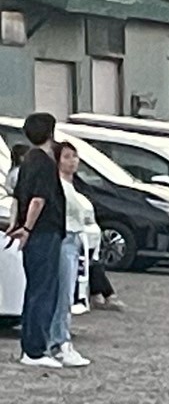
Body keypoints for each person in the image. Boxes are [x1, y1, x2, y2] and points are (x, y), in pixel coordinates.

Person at [4, 113, 68, 369]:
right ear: (51, 133)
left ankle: (30, 347)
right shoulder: (45, 163)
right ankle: (36, 349)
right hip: (44, 232)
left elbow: (17, 197)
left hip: (32, 232)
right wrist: (28, 228)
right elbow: (38, 200)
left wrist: (15, 224)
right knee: (44, 290)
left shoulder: (27, 161)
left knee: (33, 289)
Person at [47, 141, 90, 367]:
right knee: (62, 294)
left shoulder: (72, 185)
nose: (72, 161)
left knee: (67, 293)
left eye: (74, 156)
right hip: (65, 239)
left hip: (75, 240)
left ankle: (59, 339)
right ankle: (59, 341)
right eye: (66, 157)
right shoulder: (58, 186)